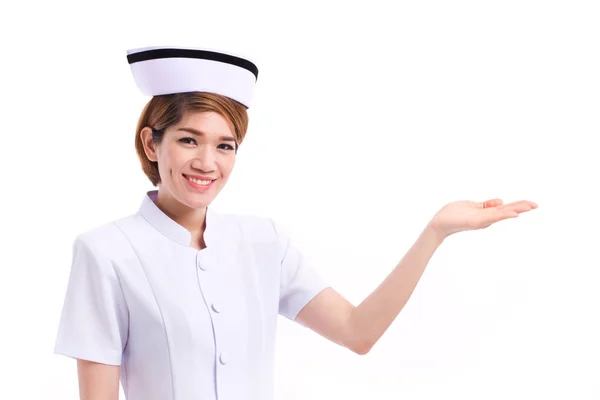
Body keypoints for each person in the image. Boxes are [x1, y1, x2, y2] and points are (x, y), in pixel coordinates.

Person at [54, 46, 538, 400]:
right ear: (149, 143)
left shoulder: (264, 241)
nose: (207, 161)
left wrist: (435, 232)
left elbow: (357, 332)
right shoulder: (106, 251)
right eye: (188, 139)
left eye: (225, 145)